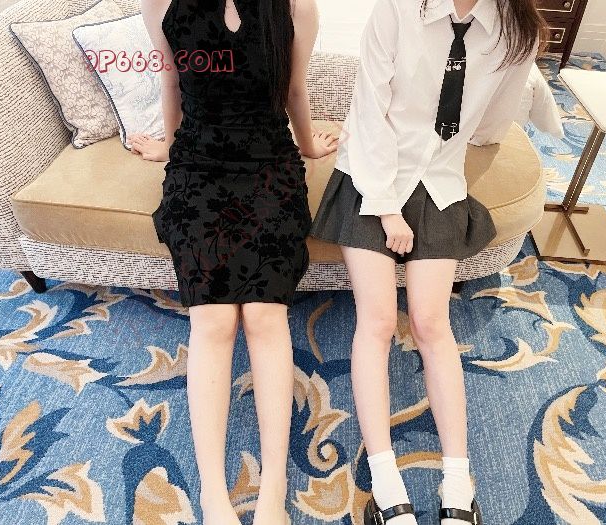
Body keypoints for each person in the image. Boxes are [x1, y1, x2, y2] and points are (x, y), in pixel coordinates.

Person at [309, 0, 545, 523]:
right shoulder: (398, 8)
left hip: (439, 180)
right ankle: (385, 478)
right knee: (376, 320)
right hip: (372, 175)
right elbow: (369, 110)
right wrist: (387, 209)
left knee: (432, 323)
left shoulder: (517, 31)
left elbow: (495, 121)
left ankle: (459, 480)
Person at [131, 0, 338, 524]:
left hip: (269, 164)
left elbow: (293, 90)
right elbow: (172, 82)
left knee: (265, 315)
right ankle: (213, 494)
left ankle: (273, 489)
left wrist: (310, 146)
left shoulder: (296, 5)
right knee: (213, 320)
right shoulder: (159, 1)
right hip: (198, 165)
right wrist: (169, 146)